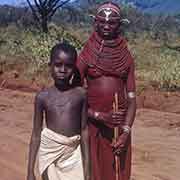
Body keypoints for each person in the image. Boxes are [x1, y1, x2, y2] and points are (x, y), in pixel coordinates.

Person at [77, 2, 136, 180]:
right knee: (94, 170)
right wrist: (98, 115)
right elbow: (73, 96)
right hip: (93, 124)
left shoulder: (126, 57)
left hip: (117, 127)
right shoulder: (86, 54)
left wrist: (126, 131)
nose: (106, 26)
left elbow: (132, 99)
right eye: (102, 22)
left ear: (119, 24)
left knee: (117, 170)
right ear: (95, 22)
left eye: (111, 23)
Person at [27, 43, 90, 180]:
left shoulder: (81, 95)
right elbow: (36, 133)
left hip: (73, 155)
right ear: (50, 66)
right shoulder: (42, 97)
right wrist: (30, 171)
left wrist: (87, 168)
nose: (62, 70)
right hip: (50, 154)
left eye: (68, 66)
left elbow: (84, 131)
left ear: (74, 68)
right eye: (58, 65)